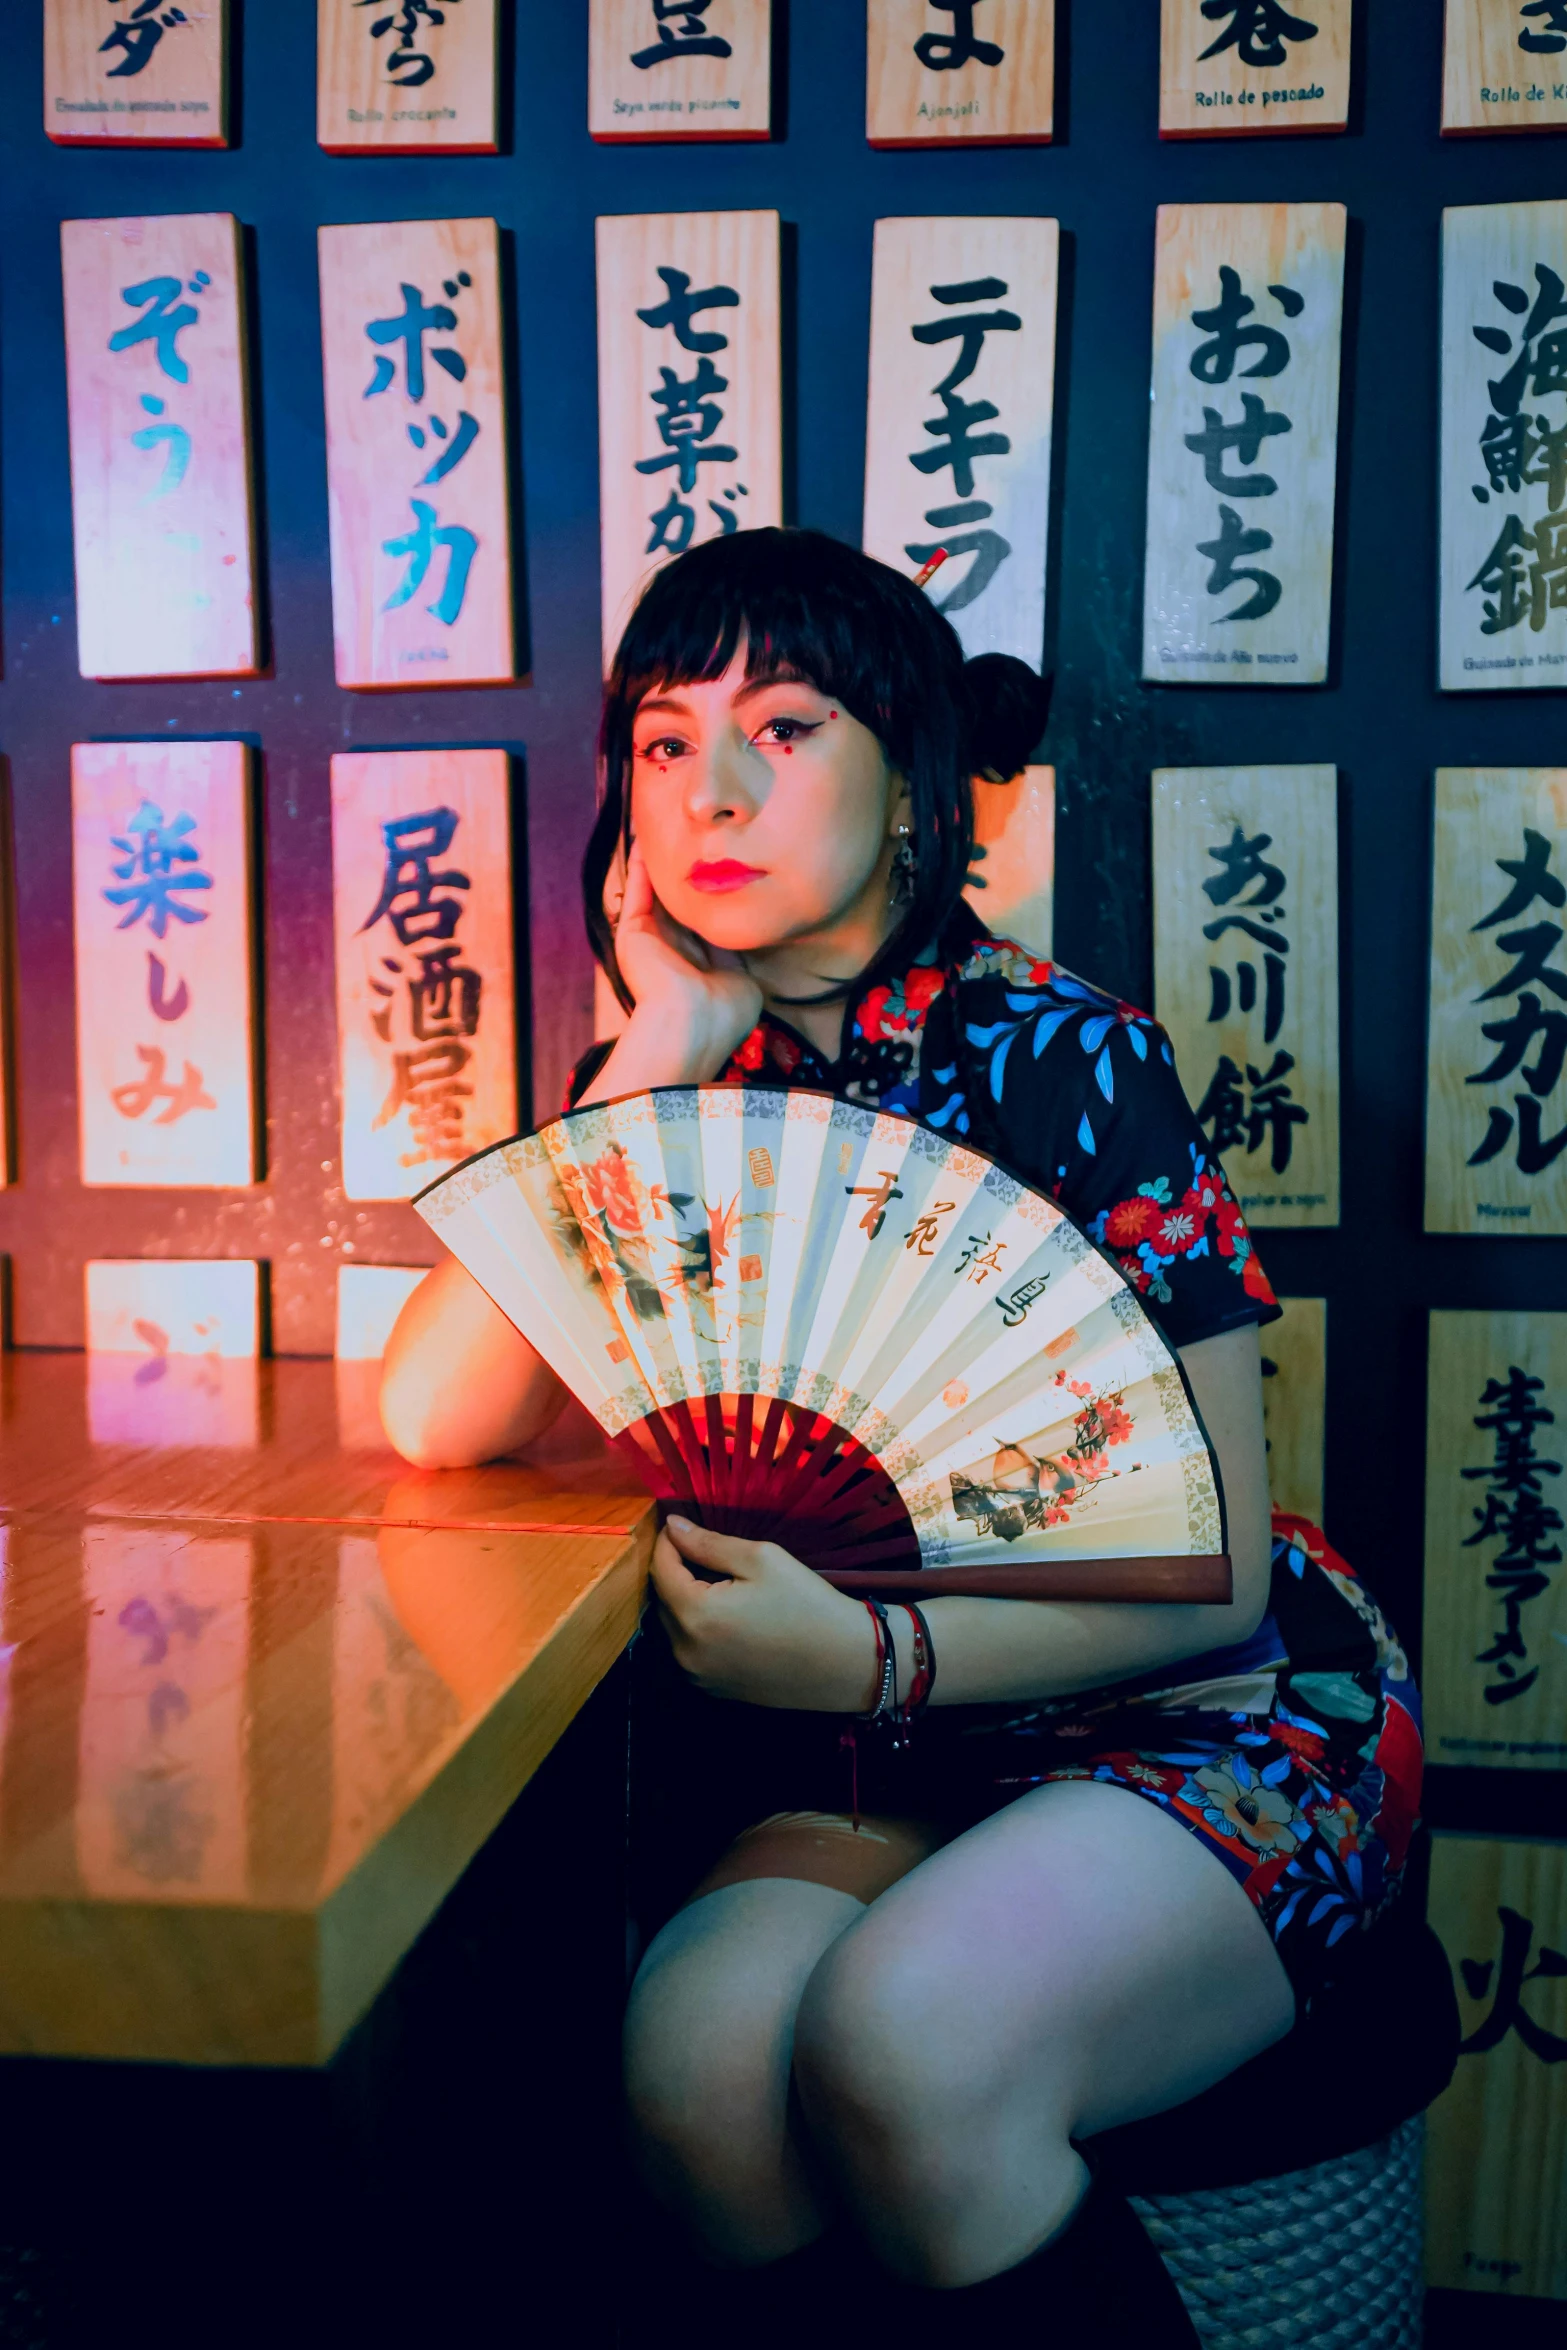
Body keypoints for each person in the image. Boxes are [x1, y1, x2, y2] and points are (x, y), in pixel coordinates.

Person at [380, 528, 1422, 2344]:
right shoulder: (681, 1081)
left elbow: (1212, 1569)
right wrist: (648, 1060)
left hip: (1203, 1711)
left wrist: (868, 1648)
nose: (708, 788)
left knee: (908, 2039)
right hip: (899, 1756)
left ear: (914, 773)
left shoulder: (1068, 1058)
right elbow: (435, 1418)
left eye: (782, 729)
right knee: (694, 2065)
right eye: (658, 738)